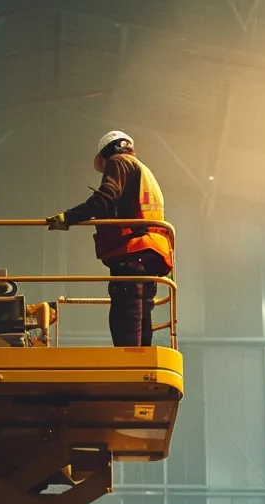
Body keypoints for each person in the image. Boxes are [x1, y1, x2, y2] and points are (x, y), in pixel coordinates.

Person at [44, 131, 172, 347]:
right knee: (141, 315)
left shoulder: (118, 162)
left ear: (105, 155)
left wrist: (67, 218)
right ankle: (141, 363)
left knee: (125, 318)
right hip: (151, 253)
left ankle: (130, 367)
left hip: (132, 251)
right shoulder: (143, 170)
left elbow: (105, 198)